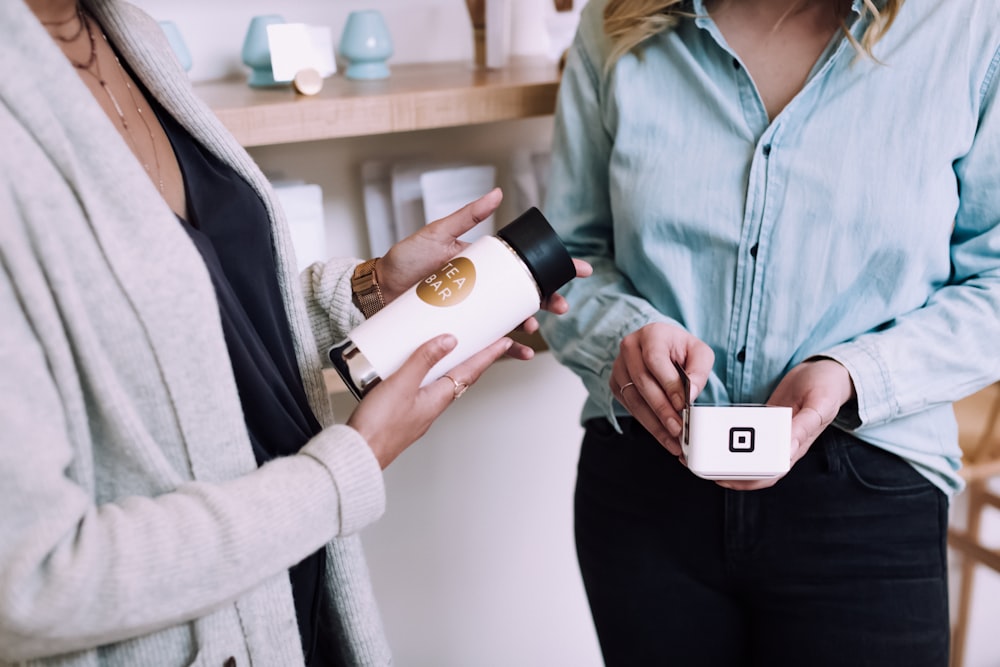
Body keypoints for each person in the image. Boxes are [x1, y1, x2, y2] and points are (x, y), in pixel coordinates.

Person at [0, 1, 590, 665]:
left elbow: (194, 327)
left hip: (296, 604)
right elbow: (29, 581)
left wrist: (367, 289)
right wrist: (342, 473)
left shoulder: (126, 34)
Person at [537, 0, 1000, 665]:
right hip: (646, 491)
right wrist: (627, 336)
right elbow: (568, 252)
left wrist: (852, 373)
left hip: (866, 499)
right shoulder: (618, 22)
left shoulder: (971, 26)